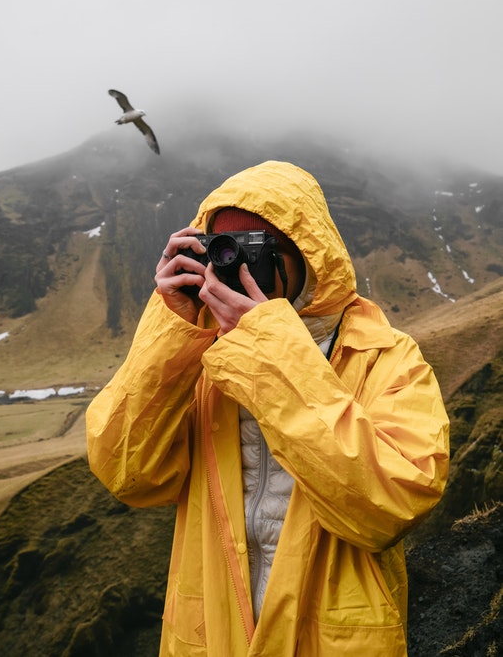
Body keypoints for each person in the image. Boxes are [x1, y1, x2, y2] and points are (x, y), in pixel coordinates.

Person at [86, 160, 450, 656]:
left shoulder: (385, 357)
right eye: (221, 249)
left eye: (256, 249)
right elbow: (128, 473)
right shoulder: (199, 355)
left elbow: (392, 505)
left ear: (309, 256)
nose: (235, 265)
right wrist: (172, 329)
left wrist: (270, 347)